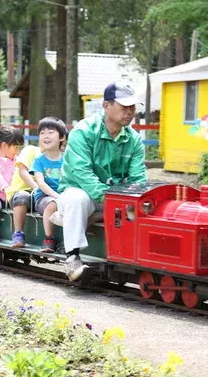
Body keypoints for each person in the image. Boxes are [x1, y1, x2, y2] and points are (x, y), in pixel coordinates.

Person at [58, 82, 147, 281]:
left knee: (139, 203)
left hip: (114, 197)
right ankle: (72, 257)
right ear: (106, 106)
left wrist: (131, 199)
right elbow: (82, 173)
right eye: (124, 107)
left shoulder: (134, 140)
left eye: (132, 107)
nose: (130, 112)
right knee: (76, 199)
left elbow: (138, 178)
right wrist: (110, 199)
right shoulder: (83, 131)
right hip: (83, 192)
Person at [31, 117, 68, 253]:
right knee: (52, 203)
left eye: (51, 132)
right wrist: (57, 196)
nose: (46, 136)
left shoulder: (67, 158)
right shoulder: (39, 160)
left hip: (64, 195)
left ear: (62, 137)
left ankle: (69, 241)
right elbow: (40, 183)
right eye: (42, 133)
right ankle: (48, 238)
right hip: (44, 197)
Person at [4, 142, 41, 248]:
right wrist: (38, 189)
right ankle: (18, 234)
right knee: (23, 196)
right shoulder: (31, 150)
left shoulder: (58, 156)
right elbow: (23, 172)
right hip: (21, 192)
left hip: (40, 195)